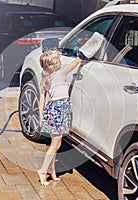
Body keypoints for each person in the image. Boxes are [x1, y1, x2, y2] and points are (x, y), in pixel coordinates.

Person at [37, 32, 104, 185]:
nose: (60, 62)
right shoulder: (60, 73)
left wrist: (41, 115)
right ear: (54, 65)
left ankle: (51, 170)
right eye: (58, 60)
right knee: (56, 144)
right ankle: (42, 170)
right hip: (59, 109)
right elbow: (77, 61)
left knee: (56, 142)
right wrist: (94, 42)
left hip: (53, 109)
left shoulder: (46, 78)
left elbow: (42, 98)